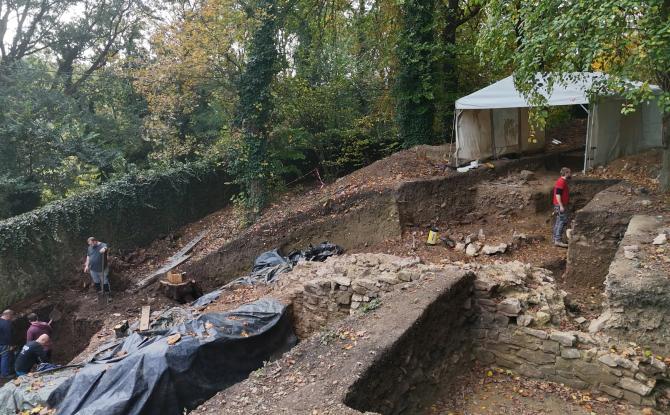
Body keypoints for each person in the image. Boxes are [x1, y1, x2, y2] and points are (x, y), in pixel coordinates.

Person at [552, 167, 572, 248]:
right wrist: (561, 206)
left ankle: (555, 238)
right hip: (560, 205)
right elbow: (558, 195)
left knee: (558, 221)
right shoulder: (561, 182)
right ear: (566, 173)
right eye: (569, 173)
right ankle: (558, 240)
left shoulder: (562, 181)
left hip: (560, 204)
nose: (571, 174)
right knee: (562, 221)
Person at [0, 310, 15, 379]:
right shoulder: (7, 324)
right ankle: (5, 374)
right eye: (11, 316)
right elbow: (8, 336)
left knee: (2, 358)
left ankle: (2, 372)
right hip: (5, 344)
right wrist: (11, 345)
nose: (12, 318)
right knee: (5, 358)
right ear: (8, 315)